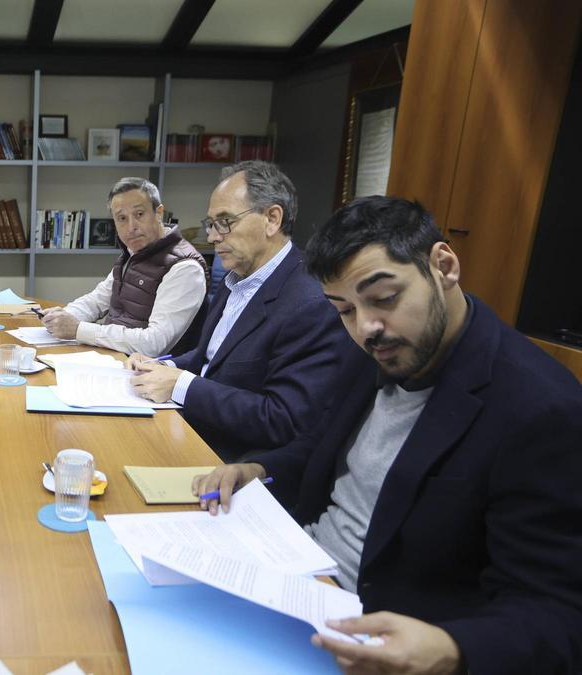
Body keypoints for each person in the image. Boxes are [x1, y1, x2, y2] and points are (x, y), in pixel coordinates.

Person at [194, 197, 582, 674]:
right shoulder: (375, 350)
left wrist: (451, 648)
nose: (366, 328)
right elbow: (320, 447)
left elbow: (558, 614)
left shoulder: (540, 410)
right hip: (296, 583)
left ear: (444, 265)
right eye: (344, 310)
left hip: (380, 640)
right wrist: (259, 468)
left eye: (384, 298)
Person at [126, 161, 353, 462]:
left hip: (231, 461)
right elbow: (209, 359)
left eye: (225, 222)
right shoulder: (236, 278)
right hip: (188, 427)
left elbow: (282, 419)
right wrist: (161, 365)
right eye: (211, 224)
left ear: (272, 219)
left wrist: (181, 385)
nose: (213, 237)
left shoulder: (309, 304)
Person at [41, 177, 208, 356]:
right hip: (111, 356)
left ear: (159, 213)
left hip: (146, 374)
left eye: (139, 214)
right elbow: (97, 300)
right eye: (121, 218)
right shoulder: (133, 253)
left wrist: (79, 330)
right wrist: (61, 317)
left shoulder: (185, 268)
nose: (131, 227)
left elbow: (154, 344)